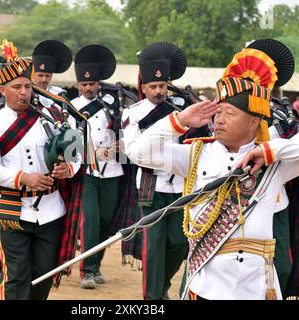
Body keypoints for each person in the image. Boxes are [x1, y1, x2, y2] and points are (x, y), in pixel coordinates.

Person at [127, 39, 299, 300]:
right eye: (218, 112)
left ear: (253, 122)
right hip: (209, 287)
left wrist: (270, 150)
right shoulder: (196, 154)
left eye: (229, 114)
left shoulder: (273, 164)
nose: (219, 120)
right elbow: (137, 152)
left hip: (256, 288)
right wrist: (178, 121)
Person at [0, 39, 83, 300]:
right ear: (2, 89)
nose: (24, 92)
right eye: (17, 87)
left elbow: (76, 151)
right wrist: (24, 178)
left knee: (44, 276)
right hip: (12, 210)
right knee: (16, 277)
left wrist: (69, 168)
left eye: (27, 85)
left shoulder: (55, 113)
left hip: (50, 210)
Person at [121, 42, 189, 300]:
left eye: (162, 86)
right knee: (154, 246)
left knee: (179, 242)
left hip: (179, 186)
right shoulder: (133, 114)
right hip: (151, 186)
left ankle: (161, 286)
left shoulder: (181, 109)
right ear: (144, 87)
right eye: (153, 87)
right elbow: (133, 152)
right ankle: (152, 297)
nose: (159, 91)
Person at [71, 44, 123, 289]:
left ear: (98, 83)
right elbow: (70, 148)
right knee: (90, 221)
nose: (88, 87)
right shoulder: (70, 107)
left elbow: (120, 130)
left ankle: (97, 264)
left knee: (106, 221)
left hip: (113, 170)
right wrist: (94, 152)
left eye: (92, 84)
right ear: (79, 83)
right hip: (88, 172)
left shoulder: (113, 104)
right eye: (84, 83)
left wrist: (119, 146)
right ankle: (87, 271)